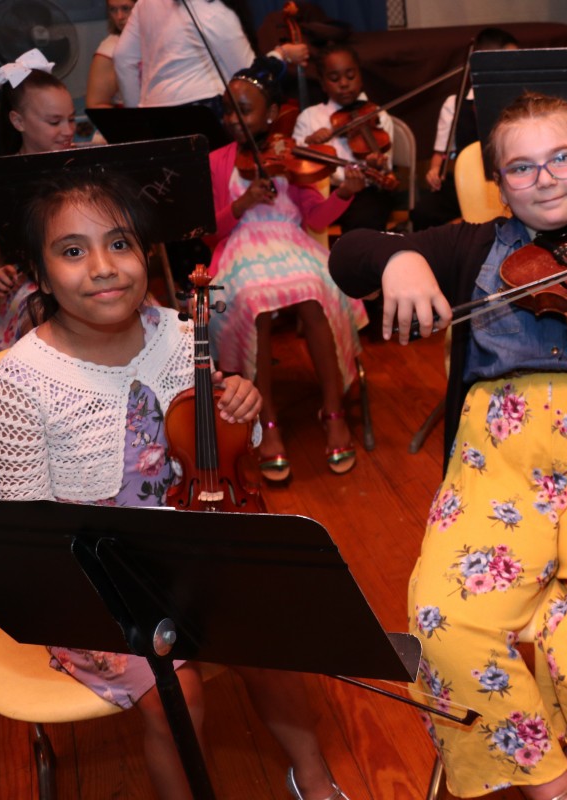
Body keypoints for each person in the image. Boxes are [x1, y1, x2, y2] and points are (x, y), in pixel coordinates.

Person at [329, 92, 567, 800]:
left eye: (563, 157)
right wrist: (399, 263)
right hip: (494, 467)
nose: (545, 178)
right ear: (500, 183)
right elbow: (348, 255)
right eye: (521, 167)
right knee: (444, 616)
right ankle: (551, 783)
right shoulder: (473, 246)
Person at [0, 169, 351, 800]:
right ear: (41, 277)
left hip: (193, 551)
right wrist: (77, 624)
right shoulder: (21, 379)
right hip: (94, 580)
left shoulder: (181, 336)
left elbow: (232, 450)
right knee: (174, 695)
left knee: (275, 641)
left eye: (120, 243)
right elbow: (30, 535)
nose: (104, 267)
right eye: (73, 251)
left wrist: (243, 404)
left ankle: (315, 779)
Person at [206, 58, 368, 481]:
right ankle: (267, 420)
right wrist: (243, 203)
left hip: (292, 244)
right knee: (254, 300)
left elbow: (315, 219)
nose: (234, 119)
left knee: (318, 289)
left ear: (273, 114)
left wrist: (345, 193)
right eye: (227, 110)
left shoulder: (288, 155)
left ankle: (333, 411)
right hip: (240, 249)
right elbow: (207, 232)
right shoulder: (218, 160)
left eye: (245, 109)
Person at [0, 52, 76, 351]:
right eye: (54, 122)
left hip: (82, 276)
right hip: (30, 287)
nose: (67, 130)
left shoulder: (82, 167)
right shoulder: (0, 179)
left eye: (71, 119)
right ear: (18, 121)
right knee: (42, 322)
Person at [114, 0, 309, 115]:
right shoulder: (213, 12)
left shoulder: (147, 3)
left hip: (153, 113)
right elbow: (249, 77)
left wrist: (137, 114)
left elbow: (122, 57)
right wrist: (282, 54)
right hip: (202, 114)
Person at [411, 27, 519, 231]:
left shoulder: (522, 101)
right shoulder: (455, 103)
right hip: (469, 182)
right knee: (423, 212)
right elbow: (440, 154)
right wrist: (434, 170)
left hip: (513, 178)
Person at [292, 41, 399, 233]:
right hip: (324, 192)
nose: (344, 84)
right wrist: (309, 143)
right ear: (323, 83)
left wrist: (376, 166)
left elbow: (386, 165)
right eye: (334, 78)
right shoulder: (310, 117)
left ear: (360, 76)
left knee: (365, 218)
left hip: (366, 190)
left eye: (350, 76)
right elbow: (295, 162)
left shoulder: (377, 115)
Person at [86, 0, 136, 109]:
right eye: (113, 10)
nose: (119, 17)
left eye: (126, 9)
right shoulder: (108, 51)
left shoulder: (159, 40)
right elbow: (96, 104)